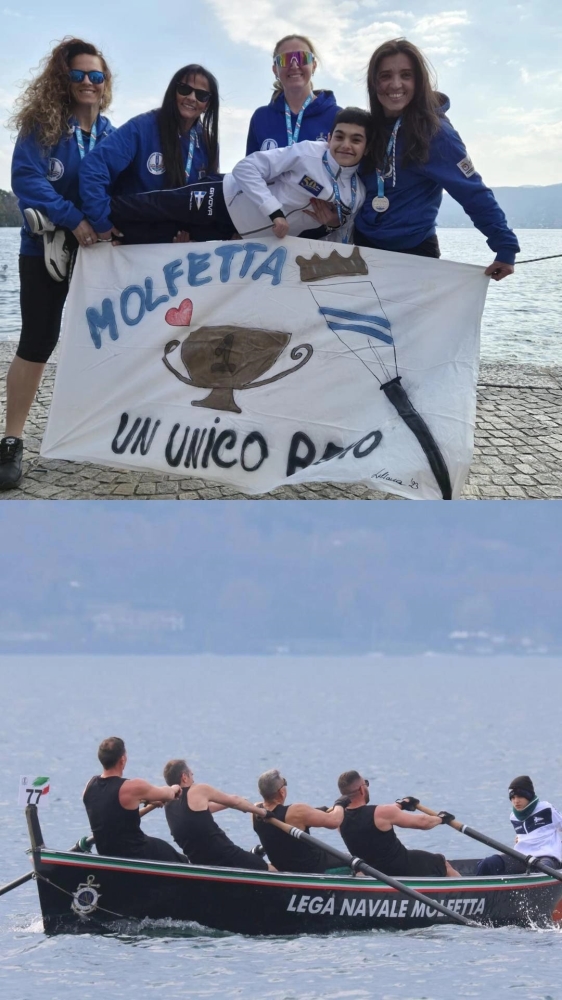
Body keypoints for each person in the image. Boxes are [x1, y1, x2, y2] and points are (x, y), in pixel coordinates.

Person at [0, 37, 113, 492]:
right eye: (78, 74)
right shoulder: (42, 127)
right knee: (37, 340)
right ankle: (11, 441)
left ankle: (105, 430)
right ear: (62, 80)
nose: (88, 82)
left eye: (96, 75)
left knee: (108, 339)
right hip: (44, 249)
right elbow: (27, 179)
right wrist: (71, 219)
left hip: (98, 254)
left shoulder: (111, 134)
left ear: (105, 83)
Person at [354, 39, 519, 278]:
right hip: (361, 250)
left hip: (415, 254)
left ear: (419, 81)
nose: (395, 84)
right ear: (374, 82)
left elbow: (472, 192)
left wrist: (505, 246)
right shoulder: (367, 129)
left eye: (406, 75)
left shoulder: (436, 134)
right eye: (385, 76)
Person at [107, 107, 370, 245]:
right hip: (224, 196)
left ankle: (108, 242)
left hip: (238, 235)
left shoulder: (356, 195)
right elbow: (247, 167)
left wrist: (331, 225)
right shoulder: (309, 153)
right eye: (339, 136)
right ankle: (96, 216)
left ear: (367, 147)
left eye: (356, 140)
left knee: (164, 237)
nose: (345, 145)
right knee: (154, 206)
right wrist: (274, 212)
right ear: (329, 137)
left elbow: (336, 240)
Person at [79, 63, 219, 243]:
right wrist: (101, 221)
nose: (192, 98)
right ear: (173, 91)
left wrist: (193, 236)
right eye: (185, 89)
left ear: (208, 104)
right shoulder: (142, 127)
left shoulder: (208, 143)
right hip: (133, 240)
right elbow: (94, 166)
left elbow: (209, 199)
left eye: (201, 95)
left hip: (175, 245)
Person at [336, 770, 461, 877]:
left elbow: (370, 815)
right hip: (401, 867)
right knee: (442, 863)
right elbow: (423, 822)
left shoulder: (338, 819)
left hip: (370, 871)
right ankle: (464, 892)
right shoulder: (381, 813)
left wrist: (401, 804)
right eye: (366, 784)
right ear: (361, 790)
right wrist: (441, 818)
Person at [83, 737, 188, 862]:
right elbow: (168, 794)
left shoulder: (89, 786)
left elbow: (116, 816)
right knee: (178, 857)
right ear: (123, 759)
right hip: (136, 852)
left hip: (106, 853)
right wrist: (174, 788)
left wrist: (149, 803)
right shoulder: (132, 787)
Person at [162, 758, 275, 871]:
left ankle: (253, 855)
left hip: (199, 861)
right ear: (184, 777)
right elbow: (235, 800)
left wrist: (232, 804)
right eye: (191, 775)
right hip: (226, 855)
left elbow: (201, 811)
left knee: (250, 858)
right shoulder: (198, 790)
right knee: (271, 869)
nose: (193, 779)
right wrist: (263, 812)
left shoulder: (168, 802)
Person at [246, 35, 341, 155]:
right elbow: (251, 165)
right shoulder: (261, 118)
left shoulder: (337, 117)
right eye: (285, 59)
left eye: (303, 57)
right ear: (275, 70)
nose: (295, 65)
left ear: (314, 66)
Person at [253, 769, 349, 873]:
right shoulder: (297, 811)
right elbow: (335, 821)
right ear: (282, 792)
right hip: (314, 867)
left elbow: (292, 819)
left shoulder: (255, 811)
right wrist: (340, 803)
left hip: (283, 867)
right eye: (285, 783)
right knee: (353, 862)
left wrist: (318, 811)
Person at [476, 776, 562, 876]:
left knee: (542, 870)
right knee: (488, 863)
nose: (516, 801)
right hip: (523, 857)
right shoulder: (513, 817)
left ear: (529, 796)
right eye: (513, 798)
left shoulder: (546, 808)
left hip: (547, 857)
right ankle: (475, 885)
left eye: (520, 797)